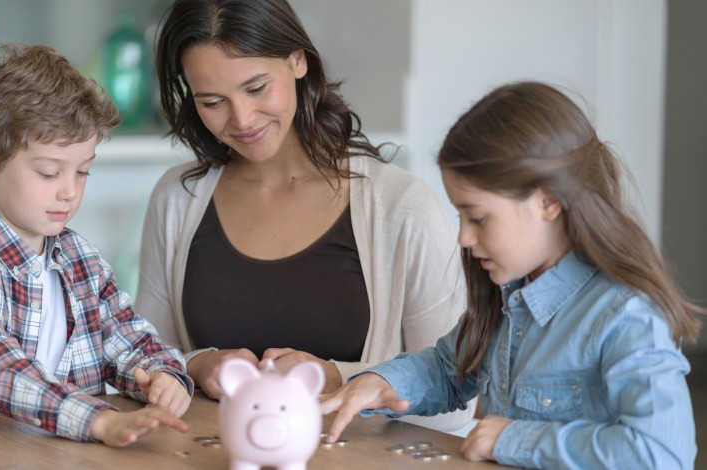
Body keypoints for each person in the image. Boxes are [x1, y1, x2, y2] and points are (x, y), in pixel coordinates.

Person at [320, 81, 704, 468]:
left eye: (479, 217)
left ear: (548, 202)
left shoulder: (626, 317)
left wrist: (512, 439)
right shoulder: (508, 298)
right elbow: (445, 368)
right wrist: (383, 382)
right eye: (461, 216)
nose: (464, 237)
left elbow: (662, 454)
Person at [136, 0, 473, 431]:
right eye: (212, 101)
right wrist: (199, 365)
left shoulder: (401, 207)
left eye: (256, 88)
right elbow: (140, 359)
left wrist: (336, 377)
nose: (241, 119)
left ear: (298, 60)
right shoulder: (177, 198)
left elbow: (457, 398)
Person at [0, 43, 194, 447]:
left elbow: (131, 341)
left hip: (63, 453)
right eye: (48, 173)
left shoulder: (84, 261)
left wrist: (163, 375)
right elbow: (0, 370)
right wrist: (97, 420)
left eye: (82, 172)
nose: (69, 192)